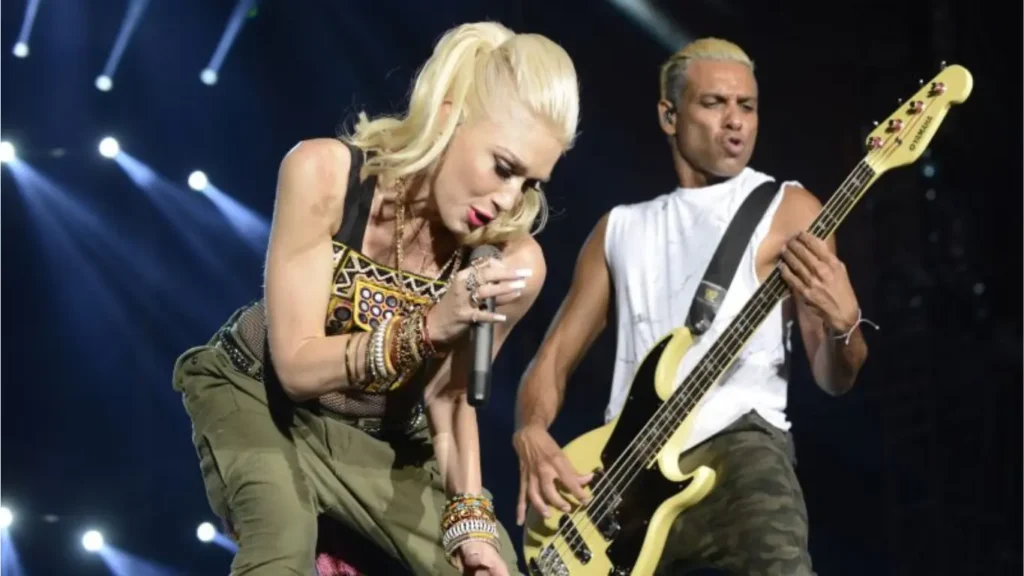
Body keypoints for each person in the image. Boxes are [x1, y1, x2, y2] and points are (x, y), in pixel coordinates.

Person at [172, 21, 579, 576]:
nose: (508, 199)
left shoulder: (513, 263)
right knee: (283, 544)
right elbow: (294, 366)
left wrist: (472, 530)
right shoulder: (324, 174)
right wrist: (427, 328)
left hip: (382, 437)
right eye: (504, 168)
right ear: (448, 116)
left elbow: (451, 399)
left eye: (530, 184)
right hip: (261, 401)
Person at [513, 37, 872, 575]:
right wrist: (531, 430)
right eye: (714, 104)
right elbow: (553, 358)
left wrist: (845, 327)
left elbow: (832, 377)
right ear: (669, 115)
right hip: (622, 474)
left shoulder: (789, 207)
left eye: (746, 107)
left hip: (742, 453)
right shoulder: (619, 228)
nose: (736, 122)